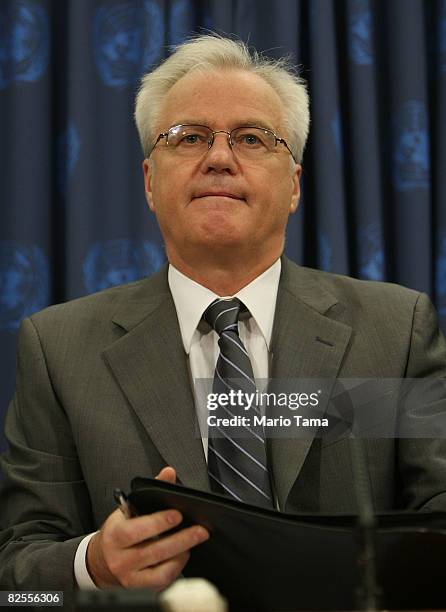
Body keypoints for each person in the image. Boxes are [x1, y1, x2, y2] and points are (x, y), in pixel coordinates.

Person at [1, 34, 446, 602]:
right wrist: (94, 563)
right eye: (187, 138)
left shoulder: (396, 331)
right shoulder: (59, 350)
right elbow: (16, 577)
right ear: (148, 182)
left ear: (293, 185)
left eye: (252, 138)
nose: (217, 157)